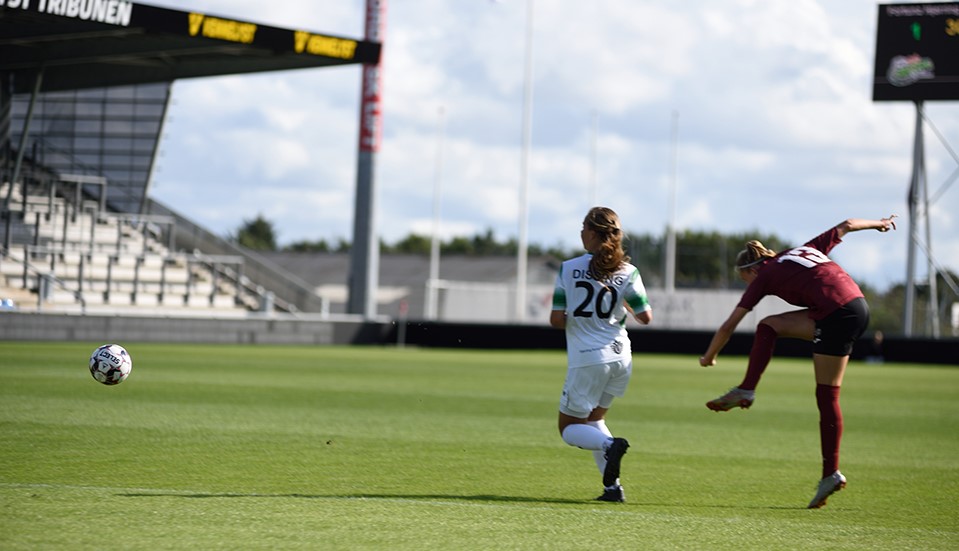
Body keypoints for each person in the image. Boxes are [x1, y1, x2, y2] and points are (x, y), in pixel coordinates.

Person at [699, 215, 897, 509]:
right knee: (770, 326)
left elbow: (729, 325)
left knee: (826, 395)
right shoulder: (802, 250)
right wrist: (879, 223)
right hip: (858, 306)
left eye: (744, 280)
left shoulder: (763, 275)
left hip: (835, 314)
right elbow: (846, 224)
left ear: (751, 270)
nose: (747, 285)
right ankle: (748, 389)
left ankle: (829, 471)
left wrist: (709, 356)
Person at [549, 206, 653, 502]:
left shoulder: (568, 268)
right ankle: (613, 488)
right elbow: (645, 317)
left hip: (588, 359)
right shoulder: (628, 271)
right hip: (621, 357)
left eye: (584, 227)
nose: (581, 232)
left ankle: (610, 446)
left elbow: (556, 320)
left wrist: (579, 318)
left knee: (569, 428)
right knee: (594, 420)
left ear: (593, 234)